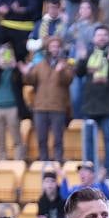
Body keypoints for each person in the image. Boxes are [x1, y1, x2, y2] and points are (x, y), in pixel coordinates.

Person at [76, 25, 109, 176]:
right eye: (98, 35)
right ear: (94, 38)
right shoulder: (89, 52)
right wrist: (82, 59)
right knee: (88, 140)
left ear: (108, 37)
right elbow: (79, 72)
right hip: (90, 104)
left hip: (107, 104)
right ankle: (90, 170)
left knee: (108, 139)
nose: (101, 37)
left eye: (104, 34)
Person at [24, 35, 73, 163]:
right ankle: (44, 162)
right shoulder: (39, 65)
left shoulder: (65, 64)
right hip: (40, 107)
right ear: (47, 48)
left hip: (58, 107)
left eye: (57, 46)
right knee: (41, 138)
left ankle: (58, 160)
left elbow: (68, 81)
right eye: (52, 46)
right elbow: (31, 81)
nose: (55, 49)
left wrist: (61, 71)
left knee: (58, 138)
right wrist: (26, 73)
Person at [0, 44, 28, 161]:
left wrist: (15, 67)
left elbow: (22, 81)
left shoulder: (15, 70)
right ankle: (2, 162)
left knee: (16, 139)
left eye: (7, 54)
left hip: (12, 108)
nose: (5, 57)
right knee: (0, 139)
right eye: (2, 54)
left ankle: (19, 161)